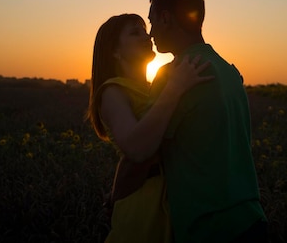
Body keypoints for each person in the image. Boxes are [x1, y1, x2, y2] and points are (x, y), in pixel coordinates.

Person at [147, 0, 268, 243]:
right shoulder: (228, 70)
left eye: (152, 21)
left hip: (208, 227)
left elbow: (145, 153)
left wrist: (114, 195)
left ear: (166, 18)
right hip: (252, 220)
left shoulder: (174, 76)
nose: (150, 33)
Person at [86, 13, 213, 243]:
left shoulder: (153, 89)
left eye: (145, 31)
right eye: (136, 33)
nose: (147, 37)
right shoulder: (112, 92)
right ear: (115, 51)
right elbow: (135, 148)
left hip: (173, 197)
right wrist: (175, 88)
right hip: (143, 204)